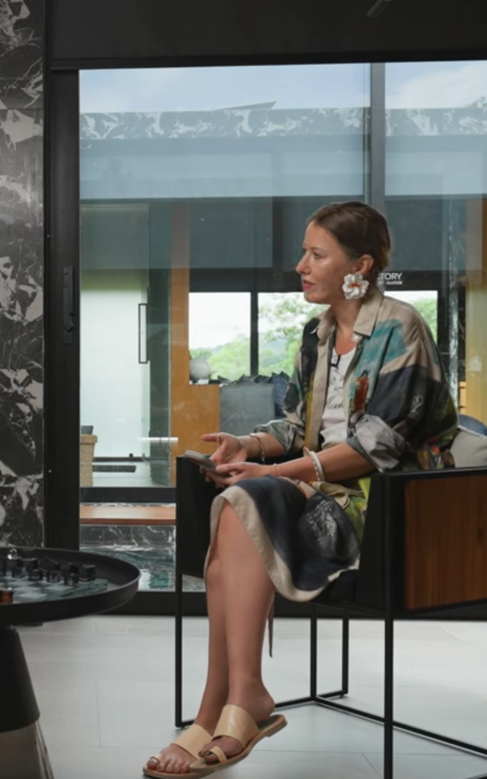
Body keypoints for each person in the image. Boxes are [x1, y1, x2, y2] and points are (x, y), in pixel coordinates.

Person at [144, 201, 459, 778]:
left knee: (247, 499)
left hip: (384, 507)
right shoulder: (317, 334)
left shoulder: (401, 328)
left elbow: (378, 447)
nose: (301, 266)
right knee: (237, 496)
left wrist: (278, 474)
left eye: (316, 254)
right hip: (322, 492)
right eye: (303, 253)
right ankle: (235, 701)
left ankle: (226, 704)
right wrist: (248, 446)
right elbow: (295, 427)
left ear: (359, 266)